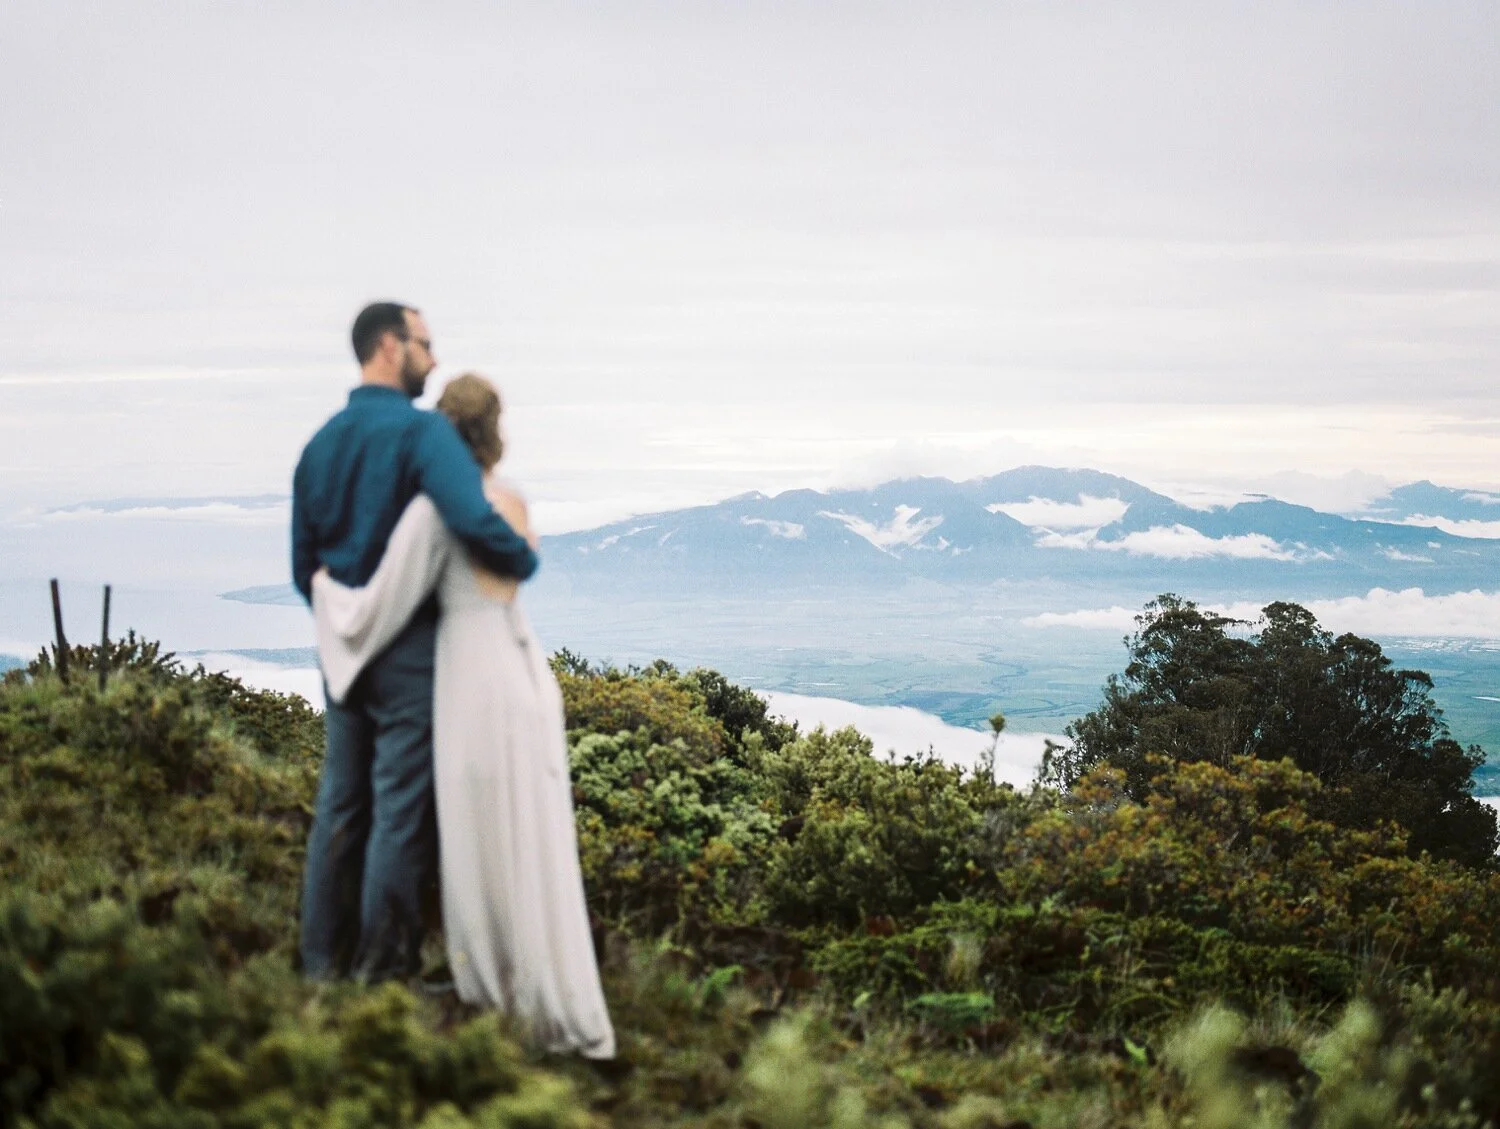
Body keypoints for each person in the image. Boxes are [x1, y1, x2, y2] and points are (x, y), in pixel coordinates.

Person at [310, 373, 616, 1059]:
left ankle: (492, 989)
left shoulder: (432, 509)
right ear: (496, 429)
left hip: (470, 682)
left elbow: (382, 604)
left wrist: (328, 594)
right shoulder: (512, 501)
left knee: (479, 838)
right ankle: (551, 989)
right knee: (531, 834)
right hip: (526, 676)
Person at [291, 303, 538, 984]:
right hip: (408, 652)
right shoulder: (422, 434)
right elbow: (469, 516)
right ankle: (381, 970)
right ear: (390, 347)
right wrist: (521, 558)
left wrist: (347, 625)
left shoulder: (320, 445)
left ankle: (319, 964)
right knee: (398, 809)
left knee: (340, 803)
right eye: (425, 344)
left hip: (341, 654)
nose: (433, 357)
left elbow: (301, 566)